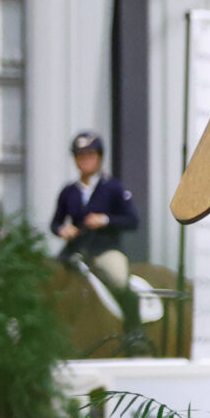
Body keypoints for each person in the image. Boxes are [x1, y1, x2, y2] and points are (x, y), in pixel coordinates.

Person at [50, 130, 141, 333]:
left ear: (99, 157)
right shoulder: (68, 191)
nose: (85, 160)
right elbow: (55, 223)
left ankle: (134, 331)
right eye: (80, 156)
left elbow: (132, 220)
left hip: (104, 250)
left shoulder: (113, 187)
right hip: (75, 251)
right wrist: (63, 230)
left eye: (90, 155)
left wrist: (105, 220)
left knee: (119, 280)